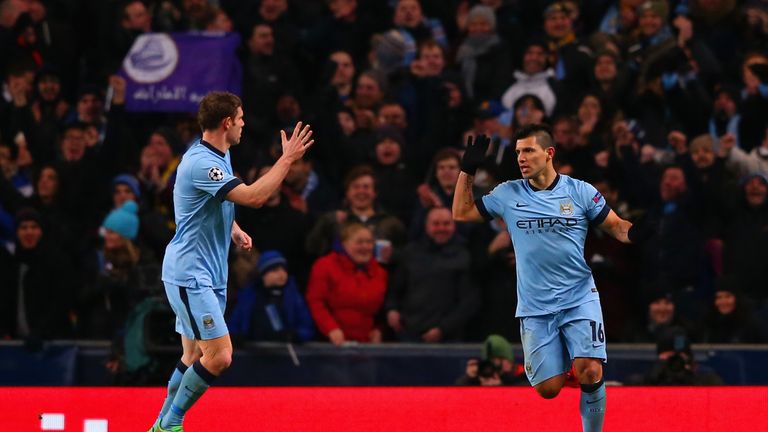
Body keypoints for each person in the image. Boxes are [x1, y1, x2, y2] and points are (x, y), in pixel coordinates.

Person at [452, 124, 645, 432]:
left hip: (579, 296)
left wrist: (637, 232)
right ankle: (568, 366)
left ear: (549, 153)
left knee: (591, 370)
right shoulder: (507, 193)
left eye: (528, 150)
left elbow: (618, 227)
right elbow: (461, 213)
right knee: (548, 388)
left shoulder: (580, 191)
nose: (521, 158)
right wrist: (467, 170)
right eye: (517, 152)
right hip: (535, 305)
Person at [148, 92, 313, 432]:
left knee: (193, 357)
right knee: (220, 356)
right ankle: (170, 424)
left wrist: (233, 229)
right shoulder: (200, 163)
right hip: (190, 274)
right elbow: (254, 197)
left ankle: (159, 425)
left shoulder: (217, 156)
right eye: (240, 118)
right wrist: (287, 160)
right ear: (227, 122)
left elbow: (209, 203)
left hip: (205, 271)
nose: (243, 124)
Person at [305, 222, 387, 345]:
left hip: (366, 347)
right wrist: (331, 329)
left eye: (369, 242)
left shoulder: (380, 273)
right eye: (359, 242)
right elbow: (316, 301)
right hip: (330, 343)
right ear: (344, 244)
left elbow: (383, 309)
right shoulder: (325, 266)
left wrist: (379, 329)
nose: (365, 246)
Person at [228, 250, 315, 343]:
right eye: (275, 270)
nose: (282, 274)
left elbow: (307, 327)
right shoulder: (249, 296)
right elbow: (234, 323)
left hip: (287, 352)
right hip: (253, 353)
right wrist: (235, 337)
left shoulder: (293, 296)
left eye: (284, 269)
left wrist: (295, 336)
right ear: (263, 274)